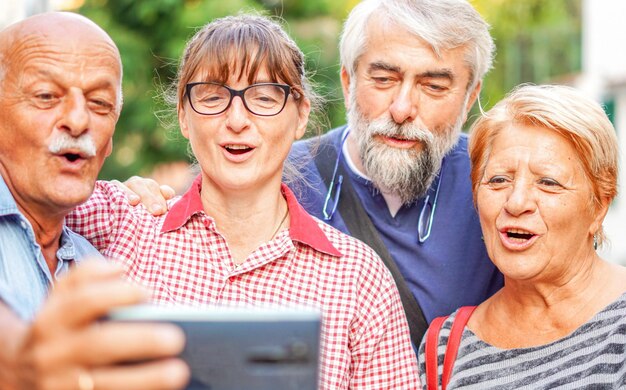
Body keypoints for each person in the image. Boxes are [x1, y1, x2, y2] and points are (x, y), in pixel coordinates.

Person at [123, 0, 504, 347]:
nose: (403, 108)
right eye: (384, 79)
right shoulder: (270, 169)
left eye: (434, 86)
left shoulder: (500, 188)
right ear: (348, 82)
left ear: (470, 96)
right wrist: (136, 198)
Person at [67, 14, 420, 389]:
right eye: (213, 97)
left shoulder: (358, 279)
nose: (237, 119)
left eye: (264, 98)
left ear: (300, 116)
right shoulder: (120, 221)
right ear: (184, 116)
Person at [0, 12, 189, 389]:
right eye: (46, 96)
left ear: (109, 144)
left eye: (100, 103)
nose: (77, 119)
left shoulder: (93, 259)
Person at [419, 84, 626, 388]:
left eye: (548, 183)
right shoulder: (445, 346)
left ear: (599, 207)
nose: (516, 203)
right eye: (499, 179)